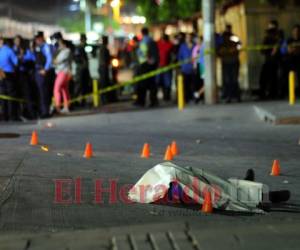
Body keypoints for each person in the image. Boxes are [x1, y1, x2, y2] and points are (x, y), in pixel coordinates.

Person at [135, 27, 160, 107]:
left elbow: (144, 53)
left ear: (142, 33)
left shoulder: (145, 41)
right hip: (148, 64)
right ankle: (152, 101)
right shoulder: (150, 40)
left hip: (145, 65)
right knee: (151, 83)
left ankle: (142, 101)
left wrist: (149, 59)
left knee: (144, 84)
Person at [13, 35, 36, 120]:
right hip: (15, 75)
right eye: (16, 41)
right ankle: (17, 114)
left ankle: (31, 114)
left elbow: (33, 58)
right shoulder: (12, 50)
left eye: (19, 41)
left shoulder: (25, 50)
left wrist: (24, 57)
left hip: (24, 75)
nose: (17, 42)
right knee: (16, 95)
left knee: (27, 95)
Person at [259, 20, 281, 100]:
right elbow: (262, 50)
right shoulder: (267, 36)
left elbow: (278, 47)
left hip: (274, 61)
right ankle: (265, 94)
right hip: (268, 60)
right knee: (264, 78)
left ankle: (272, 94)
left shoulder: (278, 36)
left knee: (273, 78)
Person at [218, 30, 241, 103]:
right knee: (228, 81)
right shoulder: (222, 45)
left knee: (234, 80)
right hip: (227, 64)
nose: (226, 38)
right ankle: (230, 97)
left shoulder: (234, 43)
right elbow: (219, 54)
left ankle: (236, 96)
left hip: (233, 63)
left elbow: (238, 48)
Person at [34, 32, 53, 118]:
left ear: (42, 38)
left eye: (38, 38)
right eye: (36, 38)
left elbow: (49, 58)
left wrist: (45, 69)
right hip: (38, 71)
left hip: (43, 71)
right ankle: (42, 110)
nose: (37, 40)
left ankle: (45, 112)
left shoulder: (45, 46)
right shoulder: (38, 47)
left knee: (43, 92)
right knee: (40, 92)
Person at [0, 36, 19, 121]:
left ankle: (9, 116)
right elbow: (16, 62)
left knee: (8, 96)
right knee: (5, 96)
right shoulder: (5, 50)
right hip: (4, 75)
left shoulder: (8, 50)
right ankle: (7, 116)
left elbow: (16, 62)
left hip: (7, 75)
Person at [52, 39, 72, 114]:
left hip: (63, 72)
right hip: (62, 72)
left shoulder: (66, 51)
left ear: (64, 44)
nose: (59, 46)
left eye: (60, 44)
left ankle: (58, 106)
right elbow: (54, 61)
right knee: (64, 90)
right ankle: (66, 107)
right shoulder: (62, 51)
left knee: (56, 89)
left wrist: (55, 60)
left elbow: (56, 61)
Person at [73, 34, 91, 107]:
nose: (85, 41)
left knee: (84, 86)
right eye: (84, 40)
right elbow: (76, 59)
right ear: (82, 40)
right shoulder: (79, 48)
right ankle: (74, 101)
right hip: (80, 70)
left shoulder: (83, 48)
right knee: (78, 86)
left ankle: (83, 102)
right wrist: (82, 63)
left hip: (84, 70)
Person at [178, 33, 195, 103]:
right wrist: (181, 65)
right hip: (185, 68)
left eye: (190, 37)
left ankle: (192, 98)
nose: (188, 39)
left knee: (193, 84)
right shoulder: (182, 46)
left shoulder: (194, 46)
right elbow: (180, 56)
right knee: (185, 85)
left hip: (193, 68)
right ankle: (186, 98)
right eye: (187, 37)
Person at [156, 33, 173, 101]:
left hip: (166, 66)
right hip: (160, 66)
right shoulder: (158, 44)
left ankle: (166, 96)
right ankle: (165, 96)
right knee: (161, 82)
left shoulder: (169, 45)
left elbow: (172, 55)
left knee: (166, 82)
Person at [98, 35, 112, 104]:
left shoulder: (102, 48)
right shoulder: (103, 49)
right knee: (104, 84)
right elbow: (104, 60)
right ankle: (104, 99)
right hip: (103, 68)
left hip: (103, 68)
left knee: (104, 83)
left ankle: (105, 99)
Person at [287, 25, 300, 95]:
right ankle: (291, 92)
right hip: (291, 61)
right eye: (295, 31)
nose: (296, 33)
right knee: (291, 75)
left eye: (297, 31)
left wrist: (295, 49)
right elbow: (289, 50)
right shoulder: (290, 40)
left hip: (299, 60)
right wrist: (295, 49)